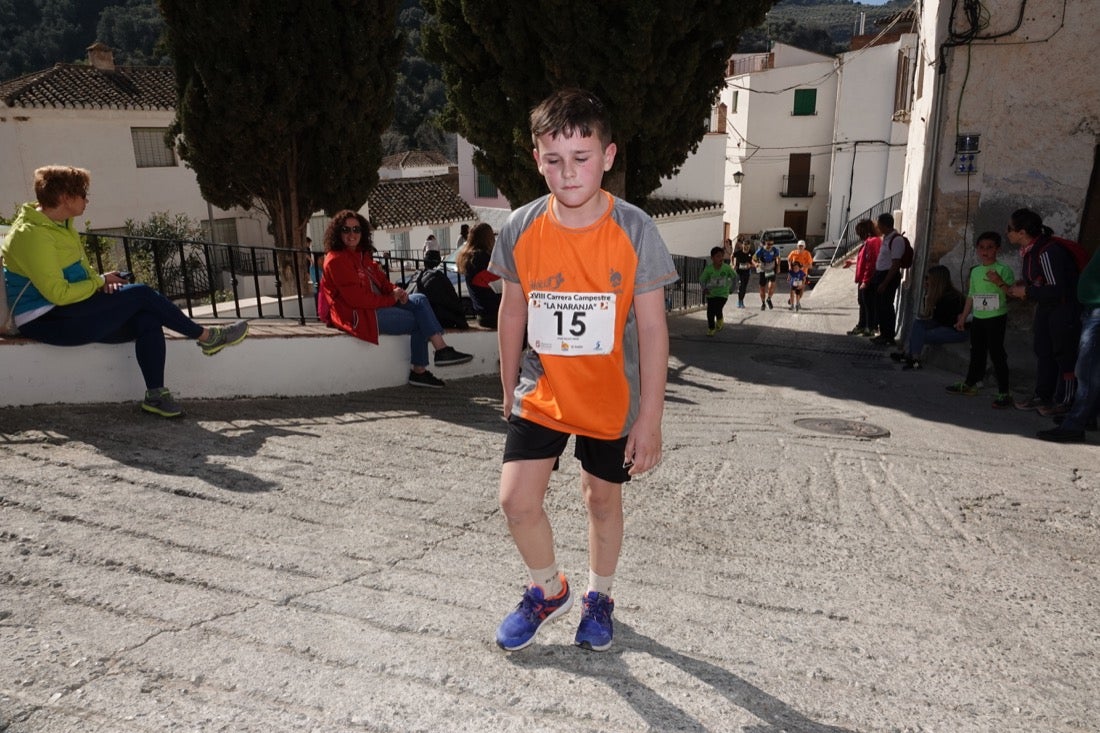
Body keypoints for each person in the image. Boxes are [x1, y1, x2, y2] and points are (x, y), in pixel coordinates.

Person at [488, 88, 678, 653]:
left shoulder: (636, 229)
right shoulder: (520, 227)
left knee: (601, 498)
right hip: (541, 390)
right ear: (536, 158)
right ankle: (548, 590)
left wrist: (650, 420)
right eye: (553, 159)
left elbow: (652, 329)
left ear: (609, 155)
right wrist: (507, 387)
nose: (568, 173)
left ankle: (600, 597)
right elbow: (512, 308)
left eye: (582, 157)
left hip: (609, 398)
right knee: (517, 500)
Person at [0, 165, 248, 418]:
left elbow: (71, 275)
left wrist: (103, 281)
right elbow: (58, 294)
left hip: (70, 311)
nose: (87, 199)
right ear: (64, 198)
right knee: (140, 293)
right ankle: (207, 337)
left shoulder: (60, 224)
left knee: (148, 319)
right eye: (83, 194)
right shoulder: (32, 234)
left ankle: (156, 396)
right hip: (45, 319)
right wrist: (98, 282)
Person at [319, 209, 472, 388]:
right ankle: (421, 369)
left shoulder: (362, 255)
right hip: (359, 314)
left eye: (356, 229)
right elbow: (358, 300)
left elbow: (383, 283)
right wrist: (391, 300)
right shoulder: (336, 260)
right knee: (419, 319)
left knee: (420, 299)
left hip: (378, 305)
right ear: (338, 232)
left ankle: (440, 351)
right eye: (346, 230)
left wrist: (398, 291)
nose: (352, 234)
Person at [1005, 208, 1081, 415]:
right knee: (1044, 351)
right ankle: (1042, 396)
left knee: (1063, 354)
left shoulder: (1047, 251)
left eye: (1010, 228)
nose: (1007, 232)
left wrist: (1027, 291)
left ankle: (1066, 401)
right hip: (1047, 309)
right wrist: (1023, 287)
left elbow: (1056, 289)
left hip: (1063, 310)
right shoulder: (1031, 251)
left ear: (1022, 233)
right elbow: (1039, 281)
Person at [943, 233, 1015, 407]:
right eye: (981, 247)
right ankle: (971, 383)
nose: (985, 251)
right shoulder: (975, 271)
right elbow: (971, 296)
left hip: (996, 317)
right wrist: (963, 317)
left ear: (997, 249)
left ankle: (1004, 392)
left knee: (997, 354)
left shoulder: (1004, 269)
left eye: (990, 247)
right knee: (976, 351)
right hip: (979, 317)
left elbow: (1012, 294)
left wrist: (998, 281)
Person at [1038, 247, 1100, 442]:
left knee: (1086, 371)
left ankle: (1074, 425)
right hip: (1091, 309)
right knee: (1092, 371)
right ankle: (1085, 417)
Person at [887, 264, 966, 370]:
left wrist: (930, 309)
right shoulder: (936, 295)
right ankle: (911, 357)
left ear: (936, 280)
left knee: (920, 333)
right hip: (943, 326)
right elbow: (933, 318)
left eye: (928, 278)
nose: (926, 281)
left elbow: (944, 321)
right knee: (918, 325)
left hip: (955, 331)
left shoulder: (952, 298)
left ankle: (913, 359)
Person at [456, 222, 501, 329]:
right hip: (494, 315)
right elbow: (499, 285)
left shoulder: (468, 257)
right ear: (488, 238)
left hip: (481, 314)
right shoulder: (482, 258)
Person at [870, 212, 906, 346]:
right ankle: (883, 334)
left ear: (885, 225)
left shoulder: (896, 240)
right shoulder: (886, 238)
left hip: (888, 276)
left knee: (886, 306)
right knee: (880, 306)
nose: (877, 227)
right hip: (881, 274)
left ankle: (888, 336)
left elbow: (895, 264)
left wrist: (885, 283)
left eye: (879, 225)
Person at [846, 219, 881, 337]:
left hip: (869, 279)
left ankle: (870, 327)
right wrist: (853, 262)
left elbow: (871, 262)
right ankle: (862, 325)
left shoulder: (872, 242)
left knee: (869, 303)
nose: (858, 235)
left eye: (859, 232)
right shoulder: (869, 242)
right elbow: (864, 259)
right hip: (864, 278)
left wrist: (866, 281)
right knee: (862, 302)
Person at [700, 245, 735, 335]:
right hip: (711, 294)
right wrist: (704, 288)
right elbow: (702, 280)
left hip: (723, 294)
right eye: (718, 256)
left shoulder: (726, 268)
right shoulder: (709, 269)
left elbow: (734, 277)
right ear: (712, 258)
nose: (721, 258)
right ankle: (711, 328)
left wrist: (732, 288)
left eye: (722, 256)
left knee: (717, 308)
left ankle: (719, 319)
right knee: (710, 312)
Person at [752, 238, 780, 310]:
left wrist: (778, 265)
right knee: (762, 288)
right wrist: (755, 264)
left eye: (772, 244)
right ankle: (763, 303)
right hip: (763, 270)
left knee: (772, 285)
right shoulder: (760, 250)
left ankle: (769, 299)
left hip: (771, 269)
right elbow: (753, 259)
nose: (770, 246)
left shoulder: (774, 250)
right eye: (768, 244)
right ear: (765, 244)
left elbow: (777, 257)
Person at [786, 240, 812, 308]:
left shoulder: (807, 254)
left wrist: (803, 267)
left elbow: (810, 266)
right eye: (799, 246)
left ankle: (797, 301)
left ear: (804, 247)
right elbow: (789, 259)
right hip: (794, 275)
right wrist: (789, 266)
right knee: (792, 289)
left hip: (803, 274)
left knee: (801, 290)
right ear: (797, 246)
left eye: (802, 246)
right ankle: (793, 301)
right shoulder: (793, 252)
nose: (800, 247)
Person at [732, 239, 754, 308]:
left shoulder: (751, 253)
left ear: (749, 246)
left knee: (744, 287)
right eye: (744, 245)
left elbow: (756, 262)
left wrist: (750, 265)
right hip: (739, 271)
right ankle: (739, 301)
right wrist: (733, 264)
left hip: (747, 272)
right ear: (742, 245)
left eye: (747, 245)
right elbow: (732, 256)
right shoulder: (738, 252)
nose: (745, 246)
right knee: (741, 285)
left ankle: (741, 300)